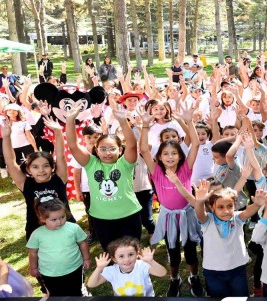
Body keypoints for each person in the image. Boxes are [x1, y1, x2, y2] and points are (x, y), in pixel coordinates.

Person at [139, 106, 204, 297]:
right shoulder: (157, 172)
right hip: (168, 217)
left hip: (187, 214)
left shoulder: (186, 169)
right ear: (159, 156)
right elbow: (143, 149)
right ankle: (175, 279)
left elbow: (197, 145)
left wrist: (189, 120)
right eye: (165, 154)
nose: (170, 157)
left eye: (174, 153)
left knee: (191, 249)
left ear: (180, 156)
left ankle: (194, 276)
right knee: (173, 250)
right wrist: (144, 126)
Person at [66, 103, 142, 250]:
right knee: (111, 254)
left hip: (129, 216)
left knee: (133, 252)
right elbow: (73, 145)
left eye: (112, 149)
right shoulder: (91, 163)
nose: (108, 153)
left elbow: (132, 145)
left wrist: (122, 121)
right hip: (102, 218)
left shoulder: (125, 163)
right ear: (96, 150)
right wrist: (70, 120)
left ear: (120, 150)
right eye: (103, 149)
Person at [2, 116, 74, 239]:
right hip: (37, 229)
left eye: (46, 166)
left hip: (64, 226)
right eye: (35, 167)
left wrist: (58, 132)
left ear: (52, 167)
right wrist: (7, 137)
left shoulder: (59, 178)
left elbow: (61, 156)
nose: (41, 170)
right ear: (29, 169)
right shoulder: (25, 183)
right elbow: (10, 162)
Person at [26, 198, 90, 296]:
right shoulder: (37, 234)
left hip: (74, 268)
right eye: (54, 219)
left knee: (76, 292)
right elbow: (33, 252)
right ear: (42, 218)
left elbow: (83, 243)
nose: (59, 222)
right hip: (49, 273)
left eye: (62, 217)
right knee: (56, 295)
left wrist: (86, 259)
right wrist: (33, 268)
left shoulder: (73, 228)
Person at [86, 236, 167, 296]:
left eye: (131, 254)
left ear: (137, 254)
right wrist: (99, 268)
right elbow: (91, 284)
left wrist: (151, 261)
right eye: (121, 256)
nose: (127, 259)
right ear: (114, 259)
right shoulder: (111, 271)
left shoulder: (142, 265)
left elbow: (162, 273)